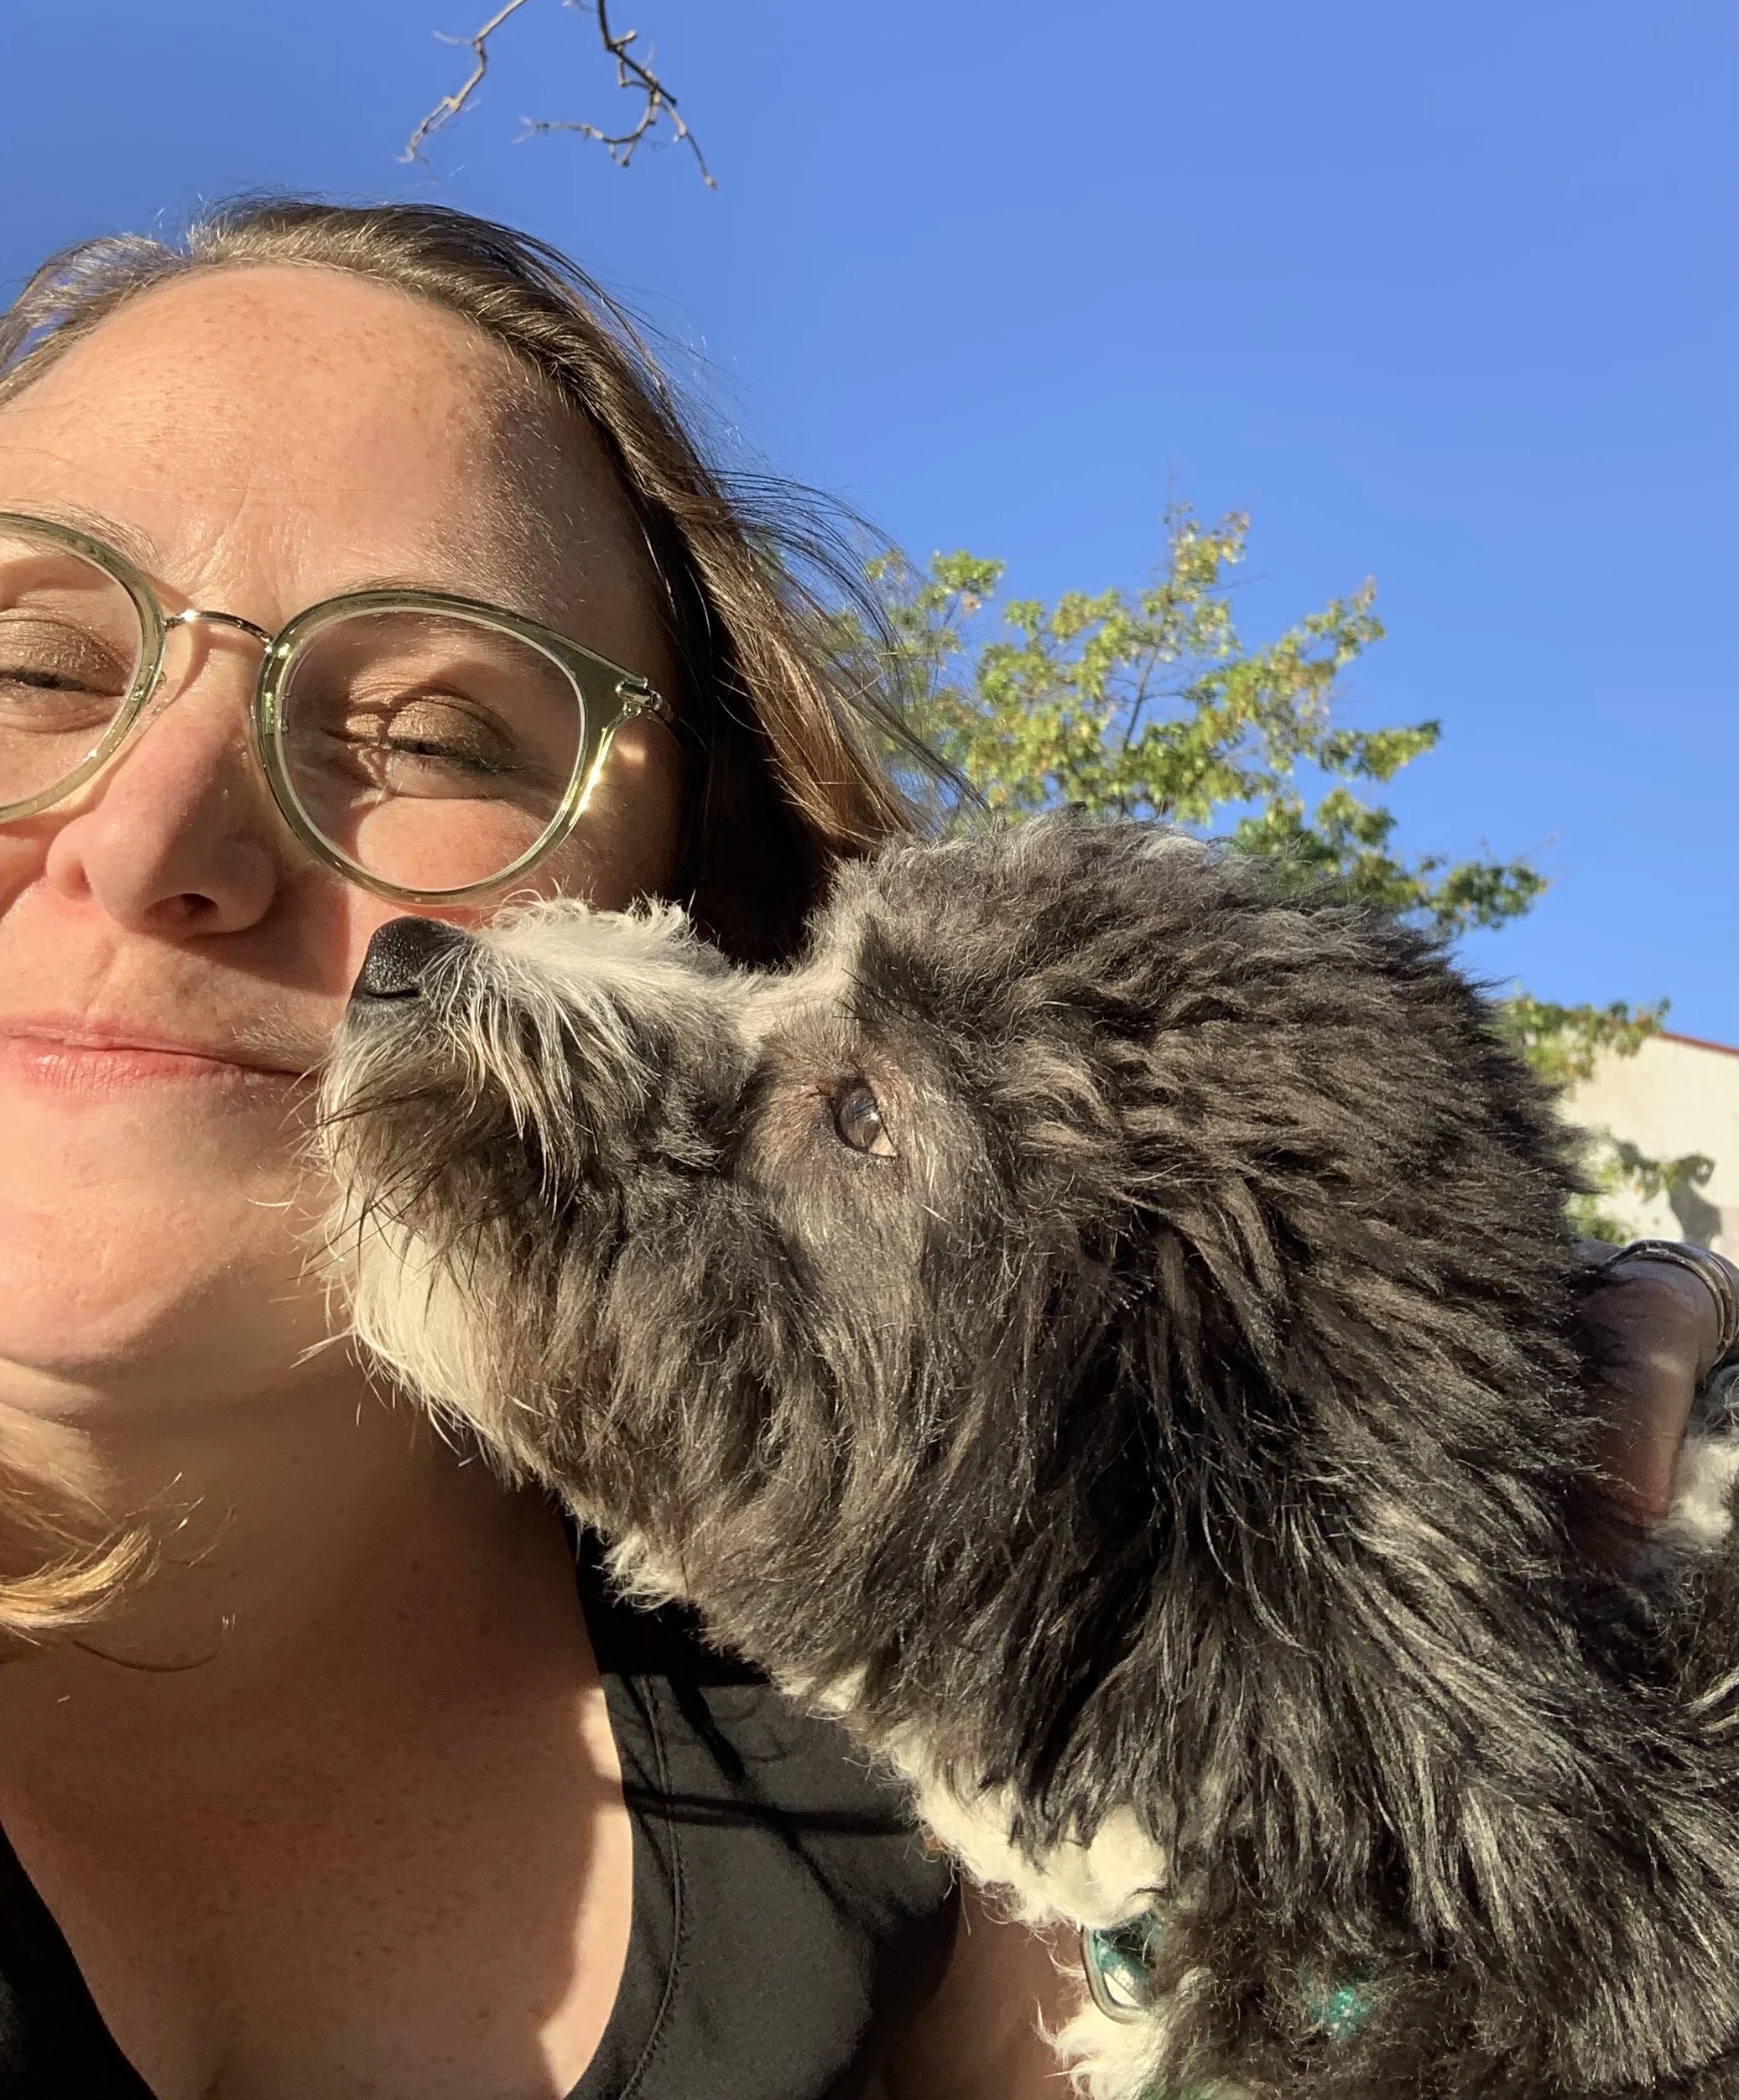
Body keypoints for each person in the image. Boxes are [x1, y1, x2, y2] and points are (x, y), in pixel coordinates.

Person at [0, 198, 1729, 2100]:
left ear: (686, 876)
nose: (149, 834)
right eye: (27, 661)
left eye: (431, 731)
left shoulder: (975, 1831)